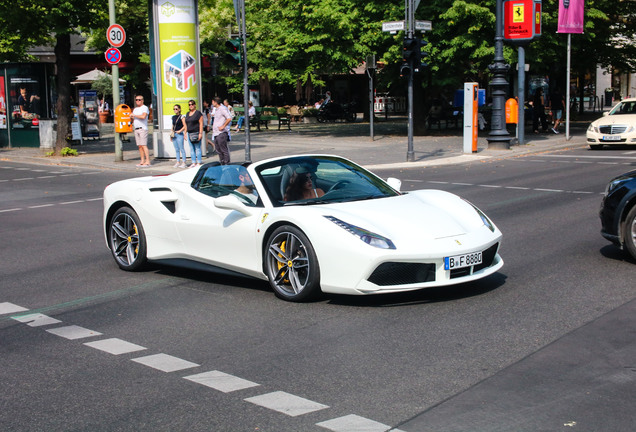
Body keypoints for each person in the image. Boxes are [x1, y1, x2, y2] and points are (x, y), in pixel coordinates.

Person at [211, 97, 233, 165]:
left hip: (221, 133)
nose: (212, 103)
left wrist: (223, 126)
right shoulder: (217, 109)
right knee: (218, 150)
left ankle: (226, 163)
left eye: (212, 102)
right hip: (216, 133)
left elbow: (229, 118)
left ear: (215, 102)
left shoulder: (222, 108)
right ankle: (222, 162)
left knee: (223, 149)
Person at [132, 95, 151, 167]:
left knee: (144, 145)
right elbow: (134, 118)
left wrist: (135, 115)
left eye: (139, 100)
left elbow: (143, 116)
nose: (138, 101)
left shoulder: (145, 108)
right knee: (139, 146)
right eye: (136, 100)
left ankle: (148, 161)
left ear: (142, 100)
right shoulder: (135, 109)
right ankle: (142, 160)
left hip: (142, 128)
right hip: (136, 128)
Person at [185, 99, 204, 168]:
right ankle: (193, 162)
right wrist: (185, 133)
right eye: (189, 104)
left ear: (195, 105)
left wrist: (200, 133)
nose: (191, 106)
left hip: (196, 132)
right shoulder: (187, 114)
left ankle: (199, 162)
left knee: (197, 148)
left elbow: (201, 123)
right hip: (189, 133)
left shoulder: (198, 113)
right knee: (191, 148)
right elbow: (186, 124)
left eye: (192, 104)